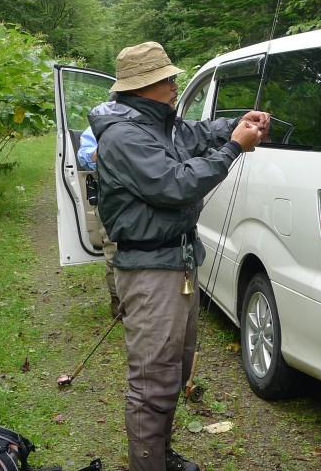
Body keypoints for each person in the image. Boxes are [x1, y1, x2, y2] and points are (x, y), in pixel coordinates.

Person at [89, 41, 268, 471]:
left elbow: (197, 134)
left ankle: (161, 455)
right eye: (166, 79)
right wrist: (234, 148)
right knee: (153, 381)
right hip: (150, 271)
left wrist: (236, 124)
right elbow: (175, 184)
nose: (174, 84)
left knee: (174, 372)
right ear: (141, 87)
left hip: (180, 263)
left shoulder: (158, 124)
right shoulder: (125, 136)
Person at [76, 111, 121, 318]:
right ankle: (118, 300)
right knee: (114, 249)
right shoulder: (104, 121)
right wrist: (107, 148)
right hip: (111, 200)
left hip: (147, 199)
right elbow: (84, 157)